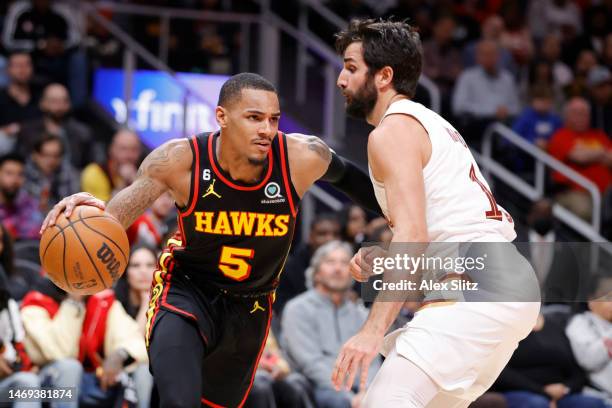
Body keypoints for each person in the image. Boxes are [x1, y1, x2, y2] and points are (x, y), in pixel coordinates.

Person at [41, 72, 380, 407]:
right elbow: (115, 219)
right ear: (222, 117)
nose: (267, 129)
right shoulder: (179, 160)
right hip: (187, 290)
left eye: (274, 119)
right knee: (179, 401)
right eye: (254, 118)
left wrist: (408, 215)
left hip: (251, 304)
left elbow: (356, 182)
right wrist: (91, 215)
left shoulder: (302, 156)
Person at [332, 19, 540, 407]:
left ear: (384, 76)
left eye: (351, 66)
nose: (341, 79)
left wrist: (371, 331)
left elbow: (414, 234)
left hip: (477, 287)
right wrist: (388, 257)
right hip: (503, 282)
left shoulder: (391, 132)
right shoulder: (432, 124)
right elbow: (442, 227)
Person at [282, 240, 381, 408]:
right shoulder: (298, 309)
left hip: (360, 390)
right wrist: (349, 396)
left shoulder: (361, 314)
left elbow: (373, 361)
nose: (338, 268)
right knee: (339, 401)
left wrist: (367, 392)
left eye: (344, 263)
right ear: (316, 272)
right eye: (330, 262)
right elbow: (310, 363)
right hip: (317, 387)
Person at [493, 312, 606, 408]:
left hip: (561, 393)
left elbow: (575, 368)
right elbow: (501, 372)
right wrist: (542, 391)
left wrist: (566, 388)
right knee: (537, 404)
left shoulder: (554, 324)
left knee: (593, 403)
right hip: (522, 390)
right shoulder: (503, 328)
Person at [547, 97, 612, 221]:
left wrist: (590, 153)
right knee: (584, 210)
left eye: (584, 114)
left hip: (607, 192)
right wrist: (602, 153)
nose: (581, 117)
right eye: (576, 113)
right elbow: (579, 157)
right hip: (576, 193)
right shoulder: (561, 135)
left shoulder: (598, 135)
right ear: (566, 116)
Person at [17, 83, 96, 169]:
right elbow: (20, 163)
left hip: (73, 179)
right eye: (54, 101)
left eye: (64, 101)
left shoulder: (82, 133)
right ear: (42, 103)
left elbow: (90, 166)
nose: (59, 106)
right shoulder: (28, 131)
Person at [80, 128, 142, 202]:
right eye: (123, 149)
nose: (129, 155)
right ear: (112, 149)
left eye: (134, 150)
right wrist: (123, 184)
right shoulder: (94, 173)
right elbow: (103, 210)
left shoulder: (143, 175)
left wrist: (137, 182)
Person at [24, 133, 79, 214]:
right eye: (46, 155)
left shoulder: (68, 174)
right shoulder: (22, 174)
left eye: (56, 156)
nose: (51, 160)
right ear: (35, 155)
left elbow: (72, 205)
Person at [0, 51, 41, 154]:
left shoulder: (41, 95)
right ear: (7, 70)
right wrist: (5, 130)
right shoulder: (1, 97)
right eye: (18, 65)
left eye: (27, 65)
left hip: (37, 144)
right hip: (7, 146)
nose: (23, 70)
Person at [0, 153, 43, 240]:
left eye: (20, 174)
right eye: (9, 173)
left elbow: (38, 232)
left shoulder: (28, 203)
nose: (15, 180)